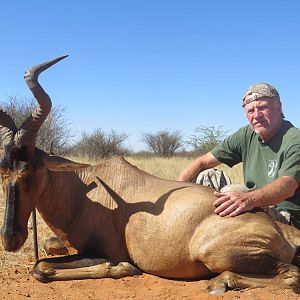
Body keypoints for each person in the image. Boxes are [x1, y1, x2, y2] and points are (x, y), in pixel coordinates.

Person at [177, 83, 300, 228]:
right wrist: (175, 191)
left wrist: (248, 199)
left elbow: (287, 186)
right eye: (250, 110)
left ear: (278, 107)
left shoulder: (294, 140)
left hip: (286, 216)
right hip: (255, 201)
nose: (256, 115)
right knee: (206, 175)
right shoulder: (246, 134)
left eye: (262, 107)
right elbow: (202, 162)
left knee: (231, 194)